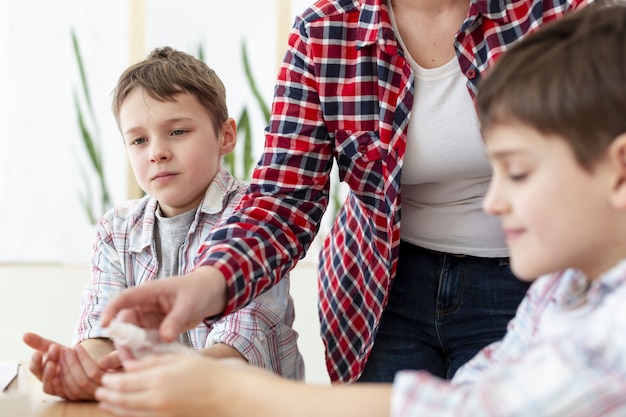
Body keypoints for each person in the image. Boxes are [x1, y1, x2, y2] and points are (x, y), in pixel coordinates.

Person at [94, 2, 626, 415]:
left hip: (523, 272)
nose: (493, 199)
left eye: (519, 170)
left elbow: (476, 409)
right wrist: (208, 281)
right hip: (385, 287)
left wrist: (233, 395)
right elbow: (285, 195)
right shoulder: (558, 302)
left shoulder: (558, 15)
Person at [22, 46, 304, 402]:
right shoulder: (116, 229)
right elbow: (101, 331)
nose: (156, 151)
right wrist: (85, 370)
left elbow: (242, 342)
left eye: (178, 132)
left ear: (226, 136)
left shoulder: (256, 217)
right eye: (139, 140)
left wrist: (165, 382)